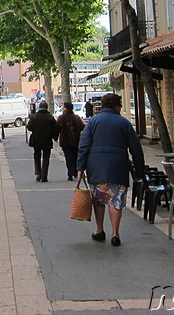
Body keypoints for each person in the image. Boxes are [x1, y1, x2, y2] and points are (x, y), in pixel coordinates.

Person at [77, 93, 144, 247]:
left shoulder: (93, 122)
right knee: (116, 200)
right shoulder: (124, 123)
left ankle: (99, 230)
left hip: (96, 167)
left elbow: (84, 145)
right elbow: (136, 149)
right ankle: (115, 233)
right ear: (117, 106)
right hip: (118, 166)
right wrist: (139, 171)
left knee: (99, 199)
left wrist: (80, 167)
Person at [26, 100, 57, 182]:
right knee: (46, 158)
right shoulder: (50, 117)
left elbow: (29, 127)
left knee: (37, 156)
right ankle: (44, 175)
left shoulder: (34, 116)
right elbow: (55, 129)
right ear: (47, 107)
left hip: (36, 140)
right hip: (47, 140)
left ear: (39, 107)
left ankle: (38, 174)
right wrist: (55, 137)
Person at [57, 101, 85, 181]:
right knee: (75, 156)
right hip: (76, 140)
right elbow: (82, 126)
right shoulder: (76, 117)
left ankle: (70, 174)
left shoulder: (61, 118)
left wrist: (57, 135)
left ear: (65, 108)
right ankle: (75, 171)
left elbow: (57, 128)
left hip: (65, 141)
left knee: (68, 157)